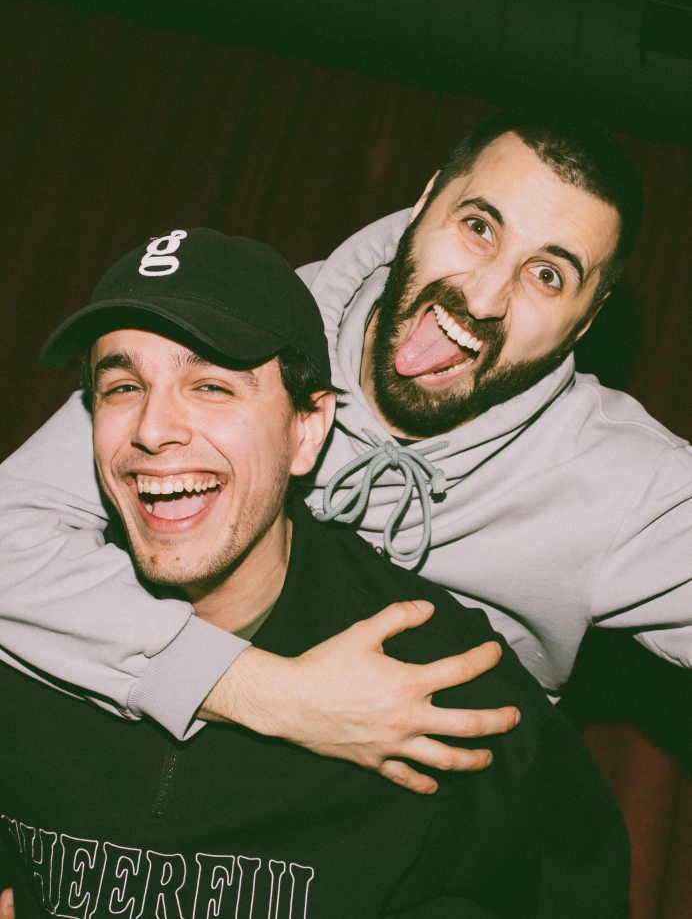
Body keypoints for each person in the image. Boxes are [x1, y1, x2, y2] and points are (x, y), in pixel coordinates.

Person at [2, 106, 691, 791]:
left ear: (586, 321)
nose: (484, 298)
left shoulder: (619, 482)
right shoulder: (244, 332)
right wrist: (269, 694)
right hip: (169, 783)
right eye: (479, 227)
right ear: (424, 202)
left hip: (432, 821)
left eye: (548, 275)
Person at [0, 231, 628, 918]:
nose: (153, 429)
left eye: (211, 386)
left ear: (307, 429)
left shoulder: (435, 681)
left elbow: (573, 882)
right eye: (122, 387)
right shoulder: (24, 636)